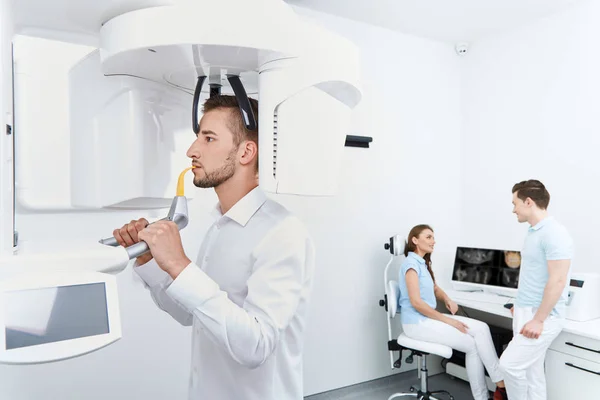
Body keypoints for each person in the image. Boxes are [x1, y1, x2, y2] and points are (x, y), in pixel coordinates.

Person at [112, 95, 315, 400]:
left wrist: (180, 265)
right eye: (198, 137)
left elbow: (257, 346)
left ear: (247, 151)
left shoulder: (283, 232)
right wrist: (153, 261)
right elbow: (192, 315)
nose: (192, 151)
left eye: (208, 138)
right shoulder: (220, 226)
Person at [398, 224, 506, 400]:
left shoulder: (422, 264)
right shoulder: (410, 265)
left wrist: (447, 299)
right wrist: (449, 321)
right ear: (415, 240)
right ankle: (487, 395)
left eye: (433, 237)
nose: (434, 241)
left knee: (482, 328)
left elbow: (434, 288)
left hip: (426, 318)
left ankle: (499, 382)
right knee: (472, 346)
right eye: (428, 237)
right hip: (416, 323)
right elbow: (416, 303)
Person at [499, 180, 573, 400]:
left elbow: (557, 281)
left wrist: (538, 320)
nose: (513, 209)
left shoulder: (555, 233)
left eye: (515, 203)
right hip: (526, 310)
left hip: (543, 316)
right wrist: (519, 305)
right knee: (533, 373)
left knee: (509, 365)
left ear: (528, 202)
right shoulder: (534, 231)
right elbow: (534, 275)